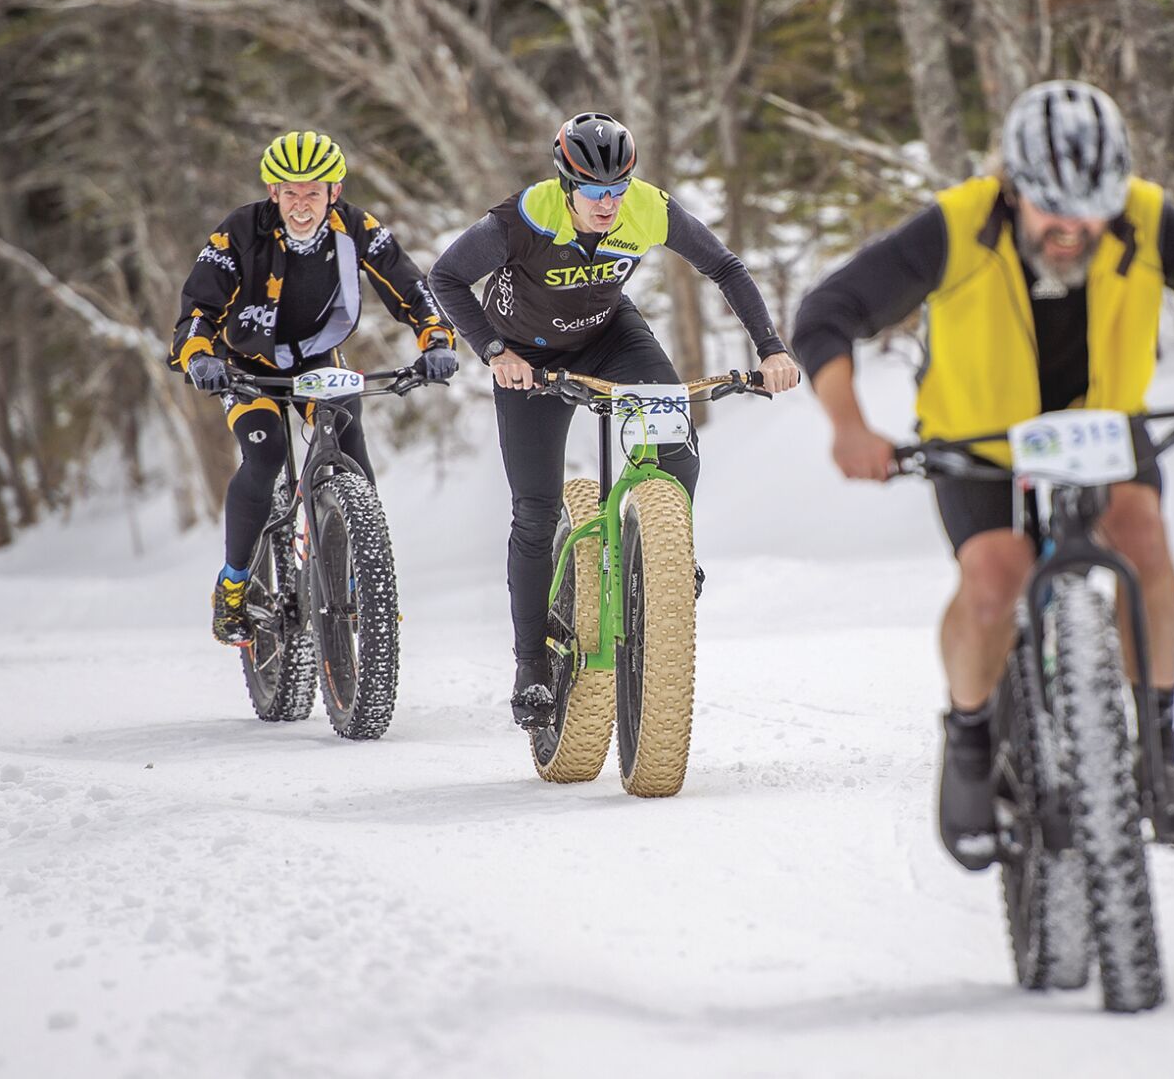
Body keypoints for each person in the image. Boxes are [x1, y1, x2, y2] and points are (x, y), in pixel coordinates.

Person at [792, 80, 1174, 868]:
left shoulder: (1145, 216)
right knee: (995, 576)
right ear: (1013, 186)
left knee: (1141, 538)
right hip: (978, 438)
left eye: (1089, 208)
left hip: (1098, 429)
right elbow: (828, 313)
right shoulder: (959, 223)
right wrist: (849, 426)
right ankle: (967, 743)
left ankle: (1159, 742)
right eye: (1052, 209)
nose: (1072, 229)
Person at [427, 111, 802, 729]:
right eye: (594, 193)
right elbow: (445, 276)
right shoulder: (523, 216)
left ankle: (666, 555)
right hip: (530, 358)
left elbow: (726, 267)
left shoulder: (648, 209)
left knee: (674, 436)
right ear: (566, 185)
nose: (608, 206)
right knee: (535, 509)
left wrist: (771, 347)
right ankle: (530, 667)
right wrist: (496, 352)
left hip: (609, 336)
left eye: (617, 191)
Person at [171, 130, 458, 645]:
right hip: (246, 365)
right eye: (290, 193)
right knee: (265, 456)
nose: (301, 205)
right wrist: (200, 357)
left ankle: (364, 581)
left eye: (313, 193)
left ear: (334, 192)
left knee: (351, 448)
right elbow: (198, 308)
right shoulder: (239, 230)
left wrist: (436, 340)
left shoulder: (357, 228)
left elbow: (411, 286)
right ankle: (234, 584)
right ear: (272, 191)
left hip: (317, 361)